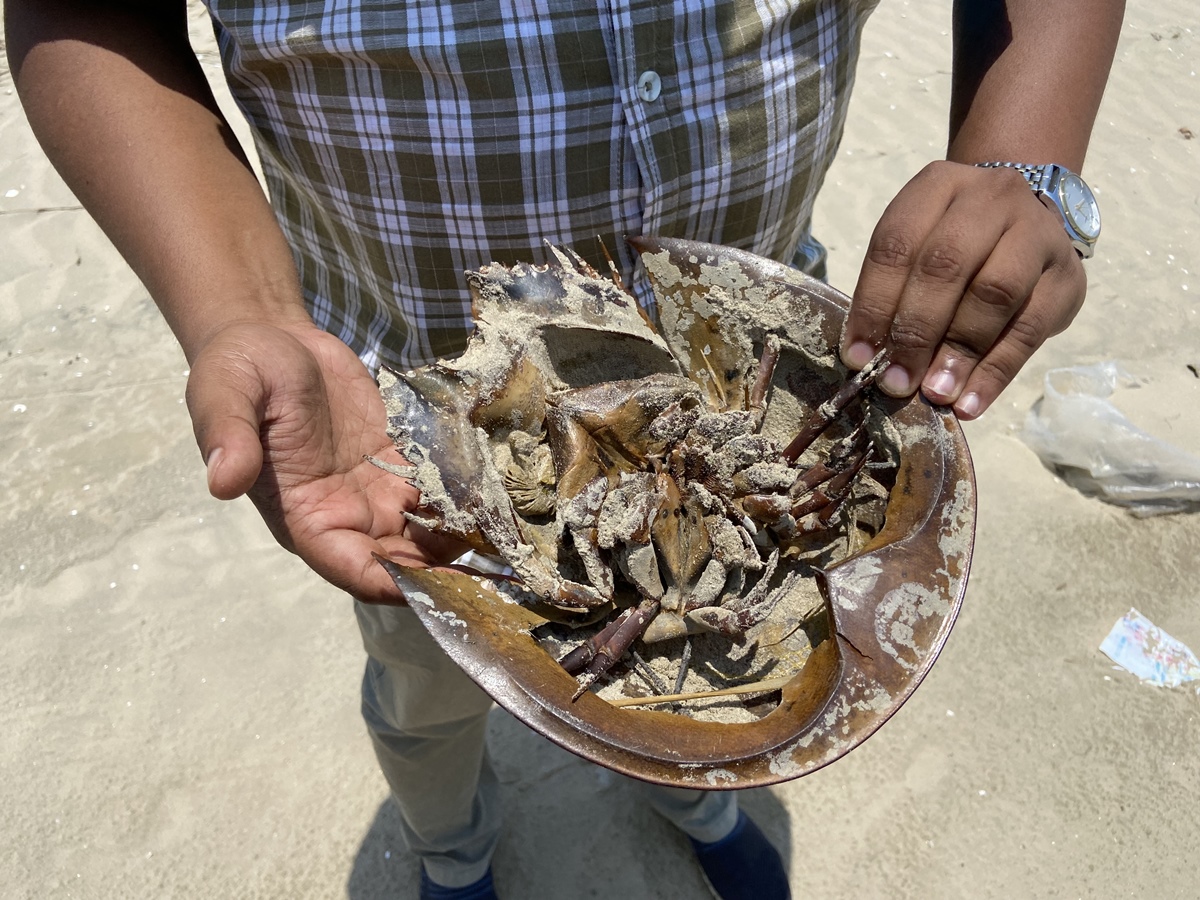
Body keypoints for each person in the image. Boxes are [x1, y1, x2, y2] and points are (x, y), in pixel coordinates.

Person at [6, 1, 1124, 897]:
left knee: (712, 664)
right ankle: (452, 844)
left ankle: (691, 784)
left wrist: (1022, 166)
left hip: (743, 361)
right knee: (426, 687)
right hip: (415, 405)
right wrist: (238, 309)